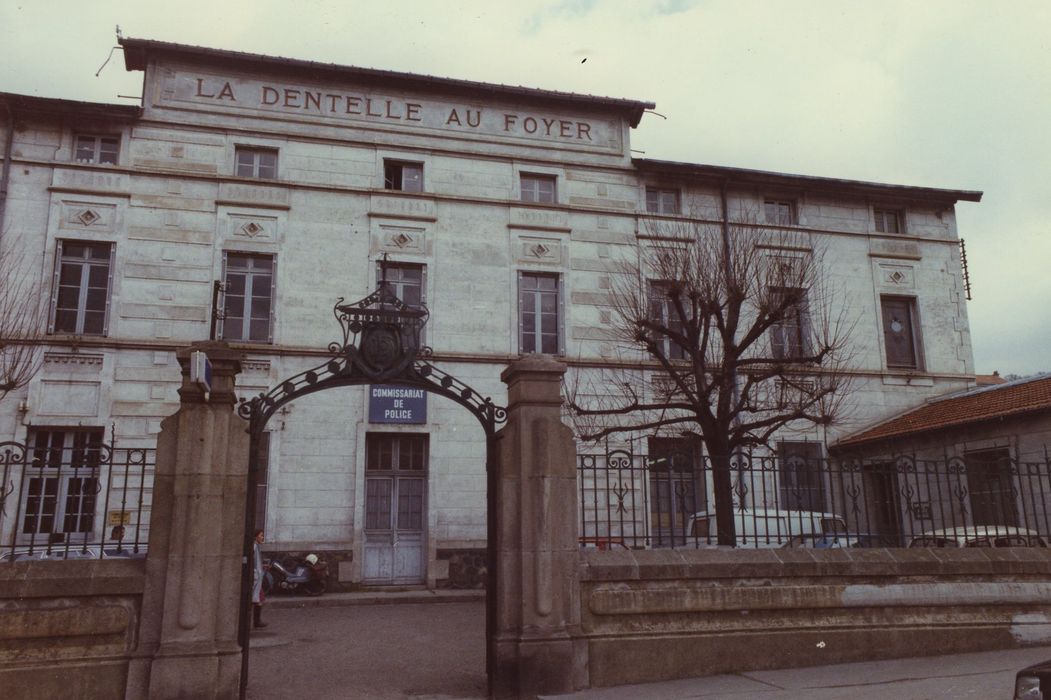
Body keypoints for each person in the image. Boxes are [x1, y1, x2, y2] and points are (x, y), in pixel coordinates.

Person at [252, 529, 267, 629]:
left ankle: (257, 621)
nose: (262, 537)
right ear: (256, 536)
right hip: (255, 578)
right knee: (256, 599)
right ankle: (256, 622)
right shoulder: (254, 546)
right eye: (261, 535)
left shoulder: (256, 546)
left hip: (257, 577)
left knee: (259, 598)